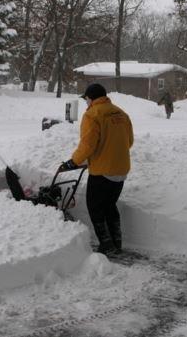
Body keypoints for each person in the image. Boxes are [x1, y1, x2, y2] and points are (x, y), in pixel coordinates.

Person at [60, 83, 134, 255]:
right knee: (109, 205)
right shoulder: (121, 113)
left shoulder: (92, 115)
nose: (86, 102)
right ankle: (117, 243)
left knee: (94, 207)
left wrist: (74, 161)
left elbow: (88, 145)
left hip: (102, 171)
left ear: (91, 98)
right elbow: (129, 141)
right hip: (121, 170)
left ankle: (106, 245)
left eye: (86, 99)